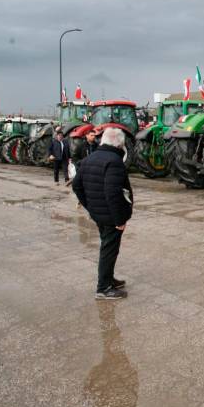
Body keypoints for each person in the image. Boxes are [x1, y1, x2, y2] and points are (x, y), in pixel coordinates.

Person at [72, 127, 133, 300]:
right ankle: (103, 288)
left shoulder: (90, 158)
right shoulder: (114, 161)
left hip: (99, 214)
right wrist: (119, 219)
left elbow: (77, 186)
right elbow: (113, 192)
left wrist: (90, 206)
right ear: (120, 143)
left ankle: (109, 279)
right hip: (111, 216)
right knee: (109, 249)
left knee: (109, 248)